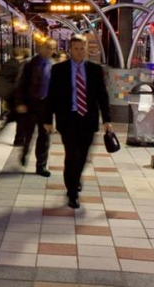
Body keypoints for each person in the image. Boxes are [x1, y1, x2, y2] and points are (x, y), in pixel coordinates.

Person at [44, 34, 112, 209]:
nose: (79, 52)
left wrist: (107, 120)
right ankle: (72, 192)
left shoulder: (95, 70)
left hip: (88, 119)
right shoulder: (59, 69)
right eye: (76, 48)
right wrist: (47, 119)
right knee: (71, 155)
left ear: (86, 49)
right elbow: (51, 95)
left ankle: (74, 179)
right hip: (68, 119)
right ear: (70, 50)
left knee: (82, 156)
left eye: (82, 48)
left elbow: (102, 96)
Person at [14, 39, 57, 176]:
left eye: (52, 48)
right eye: (47, 47)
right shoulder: (30, 64)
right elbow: (21, 84)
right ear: (40, 47)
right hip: (31, 104)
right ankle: (24, 153)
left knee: (44, 137)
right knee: (29, 133)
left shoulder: (54, 66)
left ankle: (41, 166)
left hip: (46, 106)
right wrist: (20, 102)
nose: (49, 50)